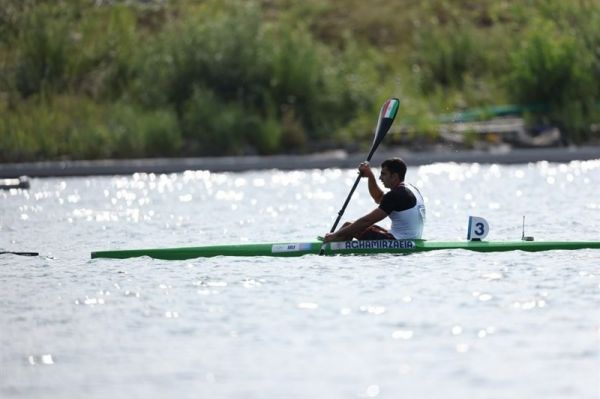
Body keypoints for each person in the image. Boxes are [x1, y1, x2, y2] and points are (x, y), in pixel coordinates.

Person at [323, 157, 425, 242]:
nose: (380, 178)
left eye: (383, 174)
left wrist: (336, 234)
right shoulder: (410, 189)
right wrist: (370, 176)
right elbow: (379, 198)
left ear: (394, 176)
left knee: (349, 226)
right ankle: (337, 241)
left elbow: (367, 221)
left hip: (398, 241)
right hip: (412, 239)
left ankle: (332, 243)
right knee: (349, 227)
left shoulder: (395, 195)